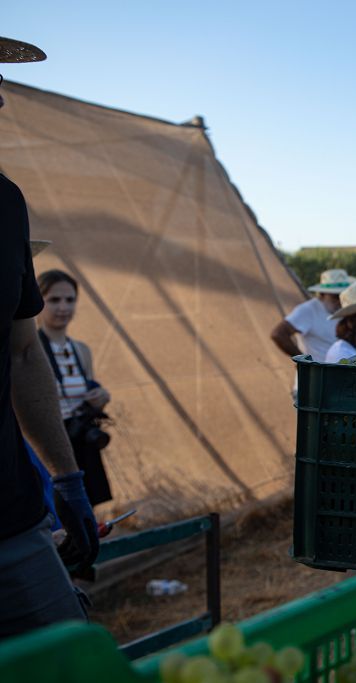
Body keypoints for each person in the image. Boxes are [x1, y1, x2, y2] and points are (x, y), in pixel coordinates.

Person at [1, 35, 98, 639]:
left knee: (70, 658)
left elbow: (22, 350)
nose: (1, 100)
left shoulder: (4, 204)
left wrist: (65, 477)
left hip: (9, 523)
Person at [37, 269, 113, 506]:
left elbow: (88, 388)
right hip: (47, 445)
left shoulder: (81, 350)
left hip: (81, 440)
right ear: (39, 302)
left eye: (70, 300)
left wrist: (100, 397)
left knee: (88, 511)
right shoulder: (31, 351)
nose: (63, 307)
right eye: (54, 300)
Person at [270, 269, 351, 362]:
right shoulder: (308, 310)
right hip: (316, 374)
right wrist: (305, 362)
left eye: (343, 295)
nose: (340, 300)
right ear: (323, 294)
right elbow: (279, 333)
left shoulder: (343, 310)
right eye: (335, 296)